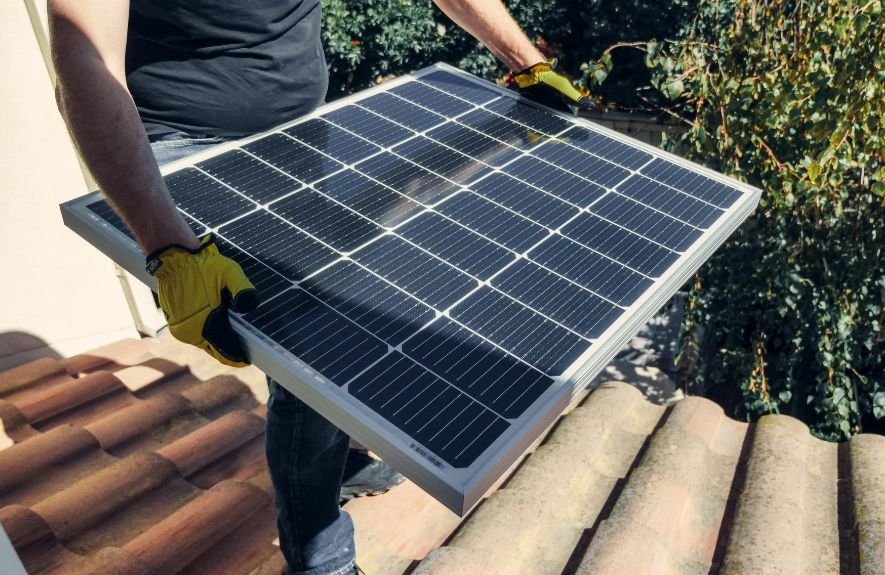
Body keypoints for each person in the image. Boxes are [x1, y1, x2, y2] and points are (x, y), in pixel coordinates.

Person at [48, 0, 592, 573]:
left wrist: (526, 62)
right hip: (188, 145)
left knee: (352, 310)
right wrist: (169, 247)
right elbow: (85, 55)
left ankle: (334, 456)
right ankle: (321, 560)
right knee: (314, 353)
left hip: (302, 134)